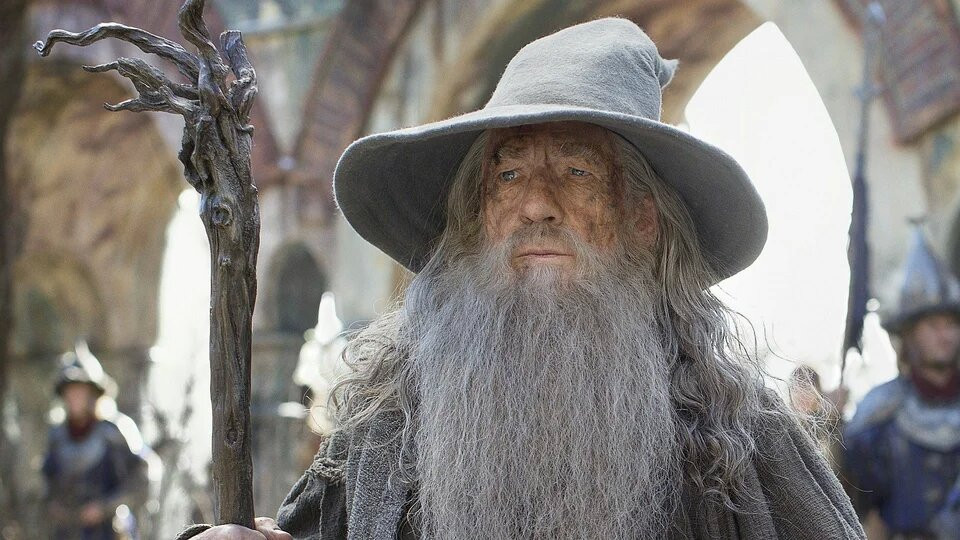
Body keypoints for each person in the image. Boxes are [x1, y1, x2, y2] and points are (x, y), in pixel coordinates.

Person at [187, 19, 862, 539]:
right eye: (508, 174)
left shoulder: (739, 438)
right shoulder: (391, 423)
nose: (536, 204)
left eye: (576, 171)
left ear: (643, 220)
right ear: (477, 216)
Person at [844, 224, 960, 539]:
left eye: (951, 324)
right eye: (932, 325)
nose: (944, 335)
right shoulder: (878, 414)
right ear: (909, 335)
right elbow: (863, 515)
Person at [43, 342, 151, 540]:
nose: (74, 396)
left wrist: (105, 507)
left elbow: (144, 476)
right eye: (70, 390)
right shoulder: (57, 436)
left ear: (92, 392)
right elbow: (48, 481)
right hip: (68, 532)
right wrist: (55, 505)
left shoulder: (115, 431)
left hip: (110, 530)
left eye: (79, 390)